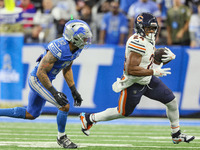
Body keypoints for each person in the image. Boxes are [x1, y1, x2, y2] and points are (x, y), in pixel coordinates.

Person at [80, 12, 195, 144]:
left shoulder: (148, 39)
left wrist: (160, 58)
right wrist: (153, 71)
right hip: (133, 82)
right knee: (122, 112)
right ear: (140, 27)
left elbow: (148, 59)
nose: (152, 31)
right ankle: (89, 118)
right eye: (149, 28)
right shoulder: (137, 42)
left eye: (154, 28)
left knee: (171, 101)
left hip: (147, 79)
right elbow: (131, 69)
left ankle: (176, 134)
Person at [0, 19, 92, 149]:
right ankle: (62, 137)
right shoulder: (58, 48)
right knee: (64, 106)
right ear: (73, 38)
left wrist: (73, 90)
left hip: (45, 79)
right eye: (83, 38)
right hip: (38, 79)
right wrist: (55, 92)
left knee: (31, 114)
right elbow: (41, 72)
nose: (86, 41)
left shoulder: (76, 49)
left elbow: (67, 68)